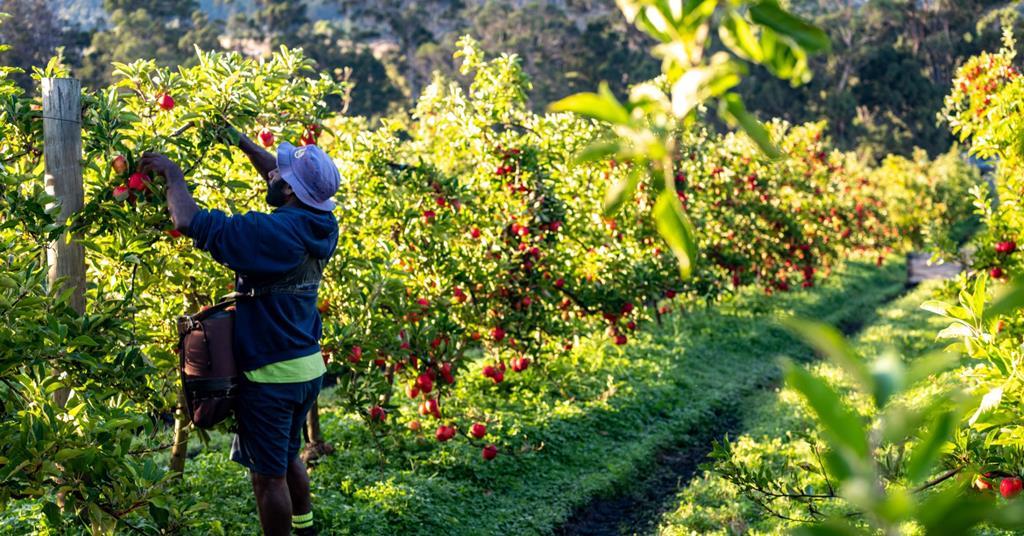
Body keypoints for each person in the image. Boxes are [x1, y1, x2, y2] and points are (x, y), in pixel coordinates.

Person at [140, 128, 340, 536]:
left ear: (289, 192)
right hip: (306, 366)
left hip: (271, 374)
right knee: (287, 456)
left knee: (268, 479)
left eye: (281, 176)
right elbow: (280, 178)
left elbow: (189, 220)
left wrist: (174, 176)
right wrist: (245, 143)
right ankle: (306, 529)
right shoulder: (322, 222)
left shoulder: (272, 234)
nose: (272, 174)